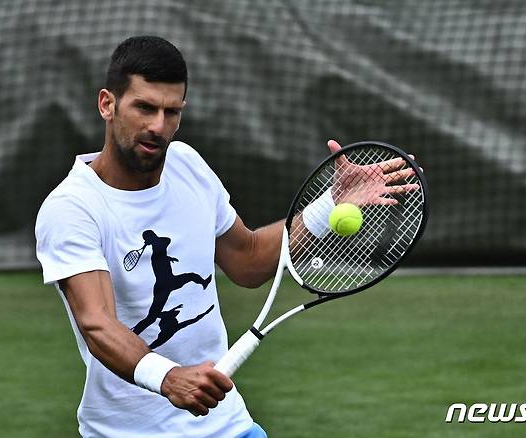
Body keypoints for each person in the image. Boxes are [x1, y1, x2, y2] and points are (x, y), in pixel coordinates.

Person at [35, 35, 413, 438]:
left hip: (230, 427)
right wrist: (168, 377)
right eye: (144, 107)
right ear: (107, 104)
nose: (158, 127)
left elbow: (247, 259)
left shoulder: (187, 165)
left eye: (171, 112)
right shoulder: (71, 208)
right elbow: (98, 324)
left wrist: (329, 204)